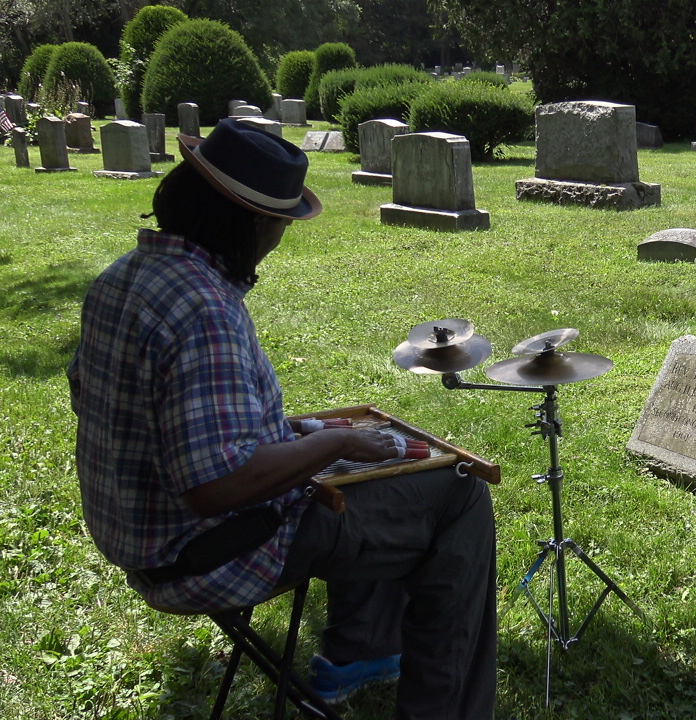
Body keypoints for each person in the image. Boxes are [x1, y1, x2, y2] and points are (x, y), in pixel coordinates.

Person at [67, 118, 497, 719]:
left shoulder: (121, 278)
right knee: (459, 496)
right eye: (280, 223)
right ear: (248, 222)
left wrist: (302, 435)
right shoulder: (203, 311)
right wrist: (332, 445)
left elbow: (130, 409)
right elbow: (213, 487)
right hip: (207, 552)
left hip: (140, 540)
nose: (280, 238)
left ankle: (360, 652)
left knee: (382, 479)